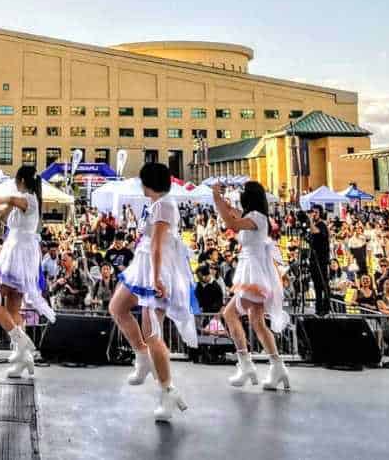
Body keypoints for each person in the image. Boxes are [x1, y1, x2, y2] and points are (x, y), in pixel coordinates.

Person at [109, 162, 197, 423]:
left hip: (155, 268)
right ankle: (142, 357)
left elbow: (158, 245)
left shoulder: (164, 205)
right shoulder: (160, 204)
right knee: (118, 307)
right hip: (145, 264)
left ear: (149, 182)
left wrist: (157, 277)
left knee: (152, 332)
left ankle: (167, 389)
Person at [213, 181, 290, 392]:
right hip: (252, 270)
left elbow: (231, 223)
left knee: (230, 315)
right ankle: (277, 367)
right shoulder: (255, 216)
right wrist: (223, 203)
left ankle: (246, 364)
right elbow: (232, 213)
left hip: (253, 272)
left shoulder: (256, 217)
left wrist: (217, 199)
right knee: (257, 323)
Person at [0, 165, 56, 380]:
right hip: (18, 253)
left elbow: (14, 201)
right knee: (13, 307)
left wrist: (0, 199)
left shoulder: (29, 199)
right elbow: (5, 217)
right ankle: (23, 357)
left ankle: (22, 341)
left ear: (21, 180)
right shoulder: (23, 203)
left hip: (17, 256)